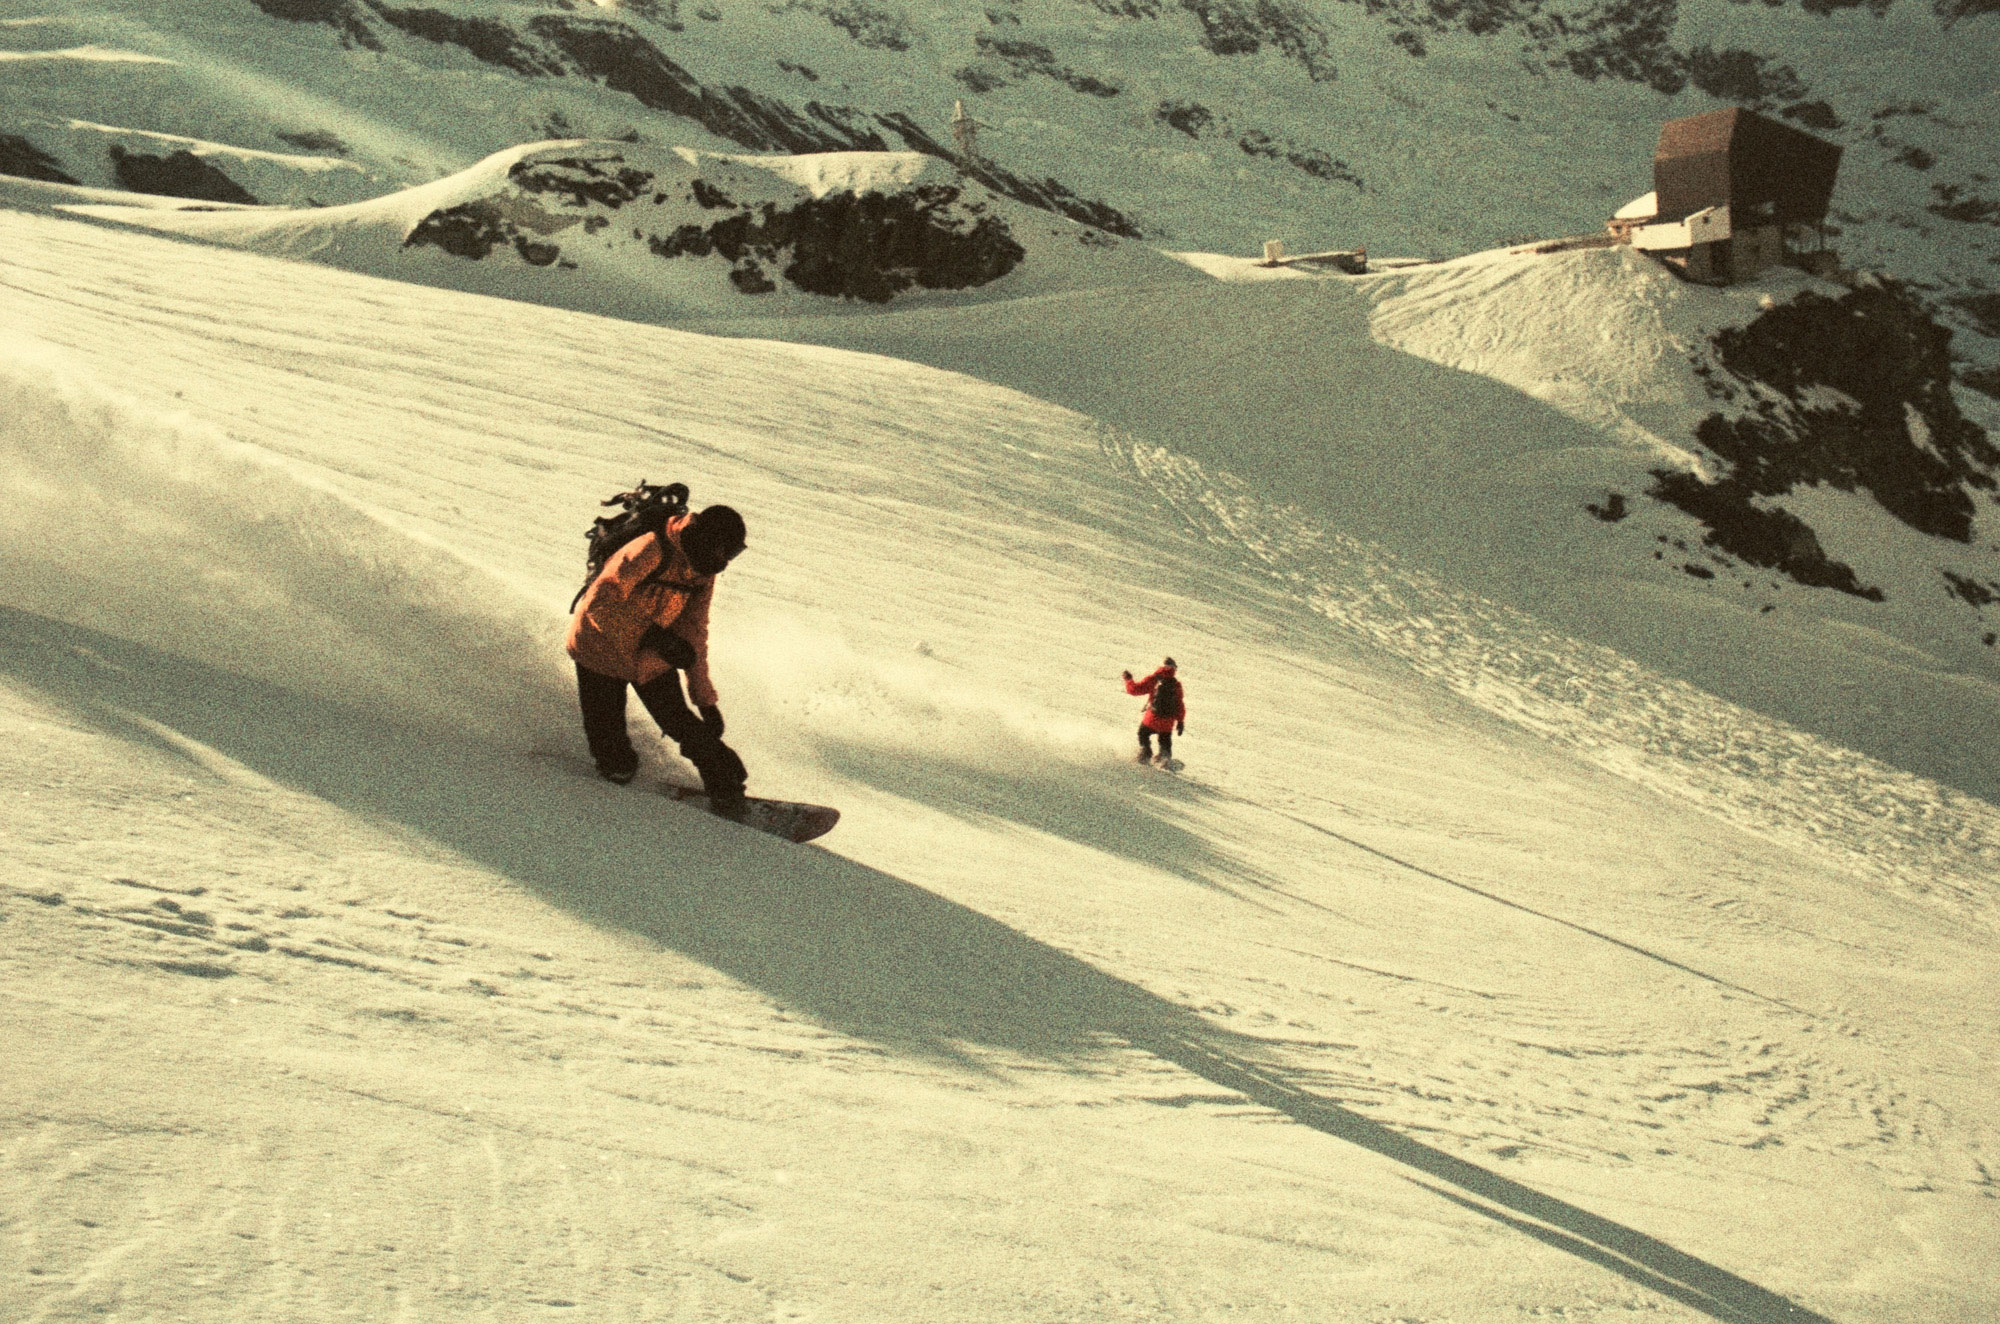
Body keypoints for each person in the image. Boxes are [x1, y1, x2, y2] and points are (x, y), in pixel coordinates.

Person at [566, 503, 749, 818]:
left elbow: (694, 631)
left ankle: (726, 789)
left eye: (733, 556)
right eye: (725, 554)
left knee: (688, 728)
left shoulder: (701, 571)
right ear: (708, 542)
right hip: (598, 651)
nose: (725, 565)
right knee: (616, 765)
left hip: (649, 658)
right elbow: (600, 602)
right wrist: (653, 637)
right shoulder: (651, 549)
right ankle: (617, 772)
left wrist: (704, 699)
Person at [1121, 656, 1186, 764]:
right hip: (1167, 722)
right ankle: (1165, 759)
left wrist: (1128, 679)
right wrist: (1180, 722)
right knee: (1165, 740)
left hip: (1151, 719)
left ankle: (1145, 753)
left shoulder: (1154, 679)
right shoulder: (1176, 685)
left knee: (1142, 733)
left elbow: (1135, 690)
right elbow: (1180, 705)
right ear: (1174, 669)